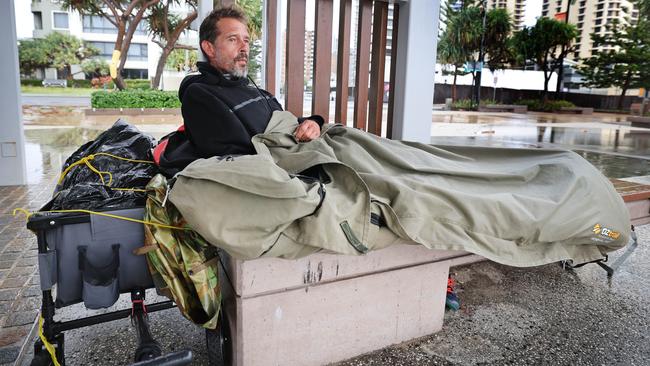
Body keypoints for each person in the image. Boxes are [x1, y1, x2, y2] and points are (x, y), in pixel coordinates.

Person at [155, 6, 324, 175]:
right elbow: (235, 158)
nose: (244, 47)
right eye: (233, 39)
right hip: (272, 171)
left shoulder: (254, 91)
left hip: (293, 157)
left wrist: (313, 123)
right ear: (209, 48)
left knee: (344, 137)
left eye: (246, 40)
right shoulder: (200, 95)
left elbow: (286, 121)